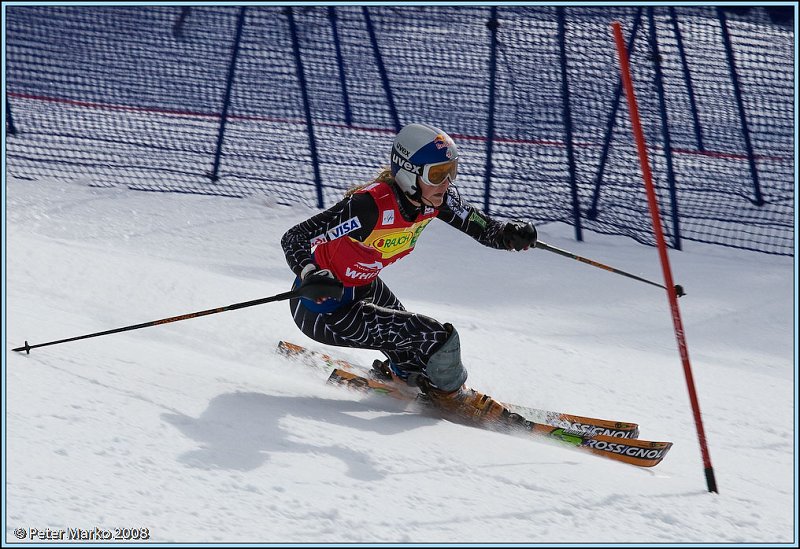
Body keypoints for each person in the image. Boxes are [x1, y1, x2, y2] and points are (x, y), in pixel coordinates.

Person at [281, 123, 537, 423]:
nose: (447, 183)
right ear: (408, 173)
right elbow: (296, 237)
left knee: (417, 353)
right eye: (437, 174)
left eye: (451, 171)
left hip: (363, 289)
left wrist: (510, 234)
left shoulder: (434, 201)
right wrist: (310, 272)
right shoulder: (368, 207)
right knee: (436, 338)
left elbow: (484, 229)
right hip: (324, 308)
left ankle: (401, 376)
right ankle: (454, 399)